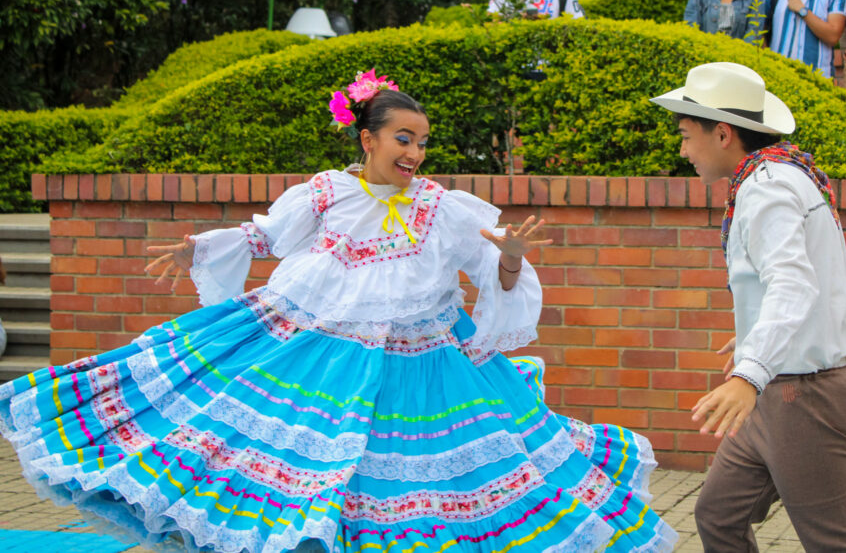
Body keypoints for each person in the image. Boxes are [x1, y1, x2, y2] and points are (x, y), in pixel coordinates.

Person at [0, 71, 677, 552]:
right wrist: (199, 249)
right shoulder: (323, 193)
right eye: (403, 138)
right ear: (368, 138)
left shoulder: (445, 208)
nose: (415, 152)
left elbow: (493, 272)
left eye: (422, 141)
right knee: (296, 463)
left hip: (418, 366)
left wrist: (507, 260)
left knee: (406, 481)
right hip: (313, 346)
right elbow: (264, 236)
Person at [651, 62, 846, 552]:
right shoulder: (774, 175)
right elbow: (801, 281)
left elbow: (793, 284)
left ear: (724, 133)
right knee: (718, 516)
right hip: (777, 387)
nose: (683, 149)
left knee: (837, 545)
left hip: (802, 398)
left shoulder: (768, 187)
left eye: (687, 135)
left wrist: (748, 374)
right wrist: (755, 336)